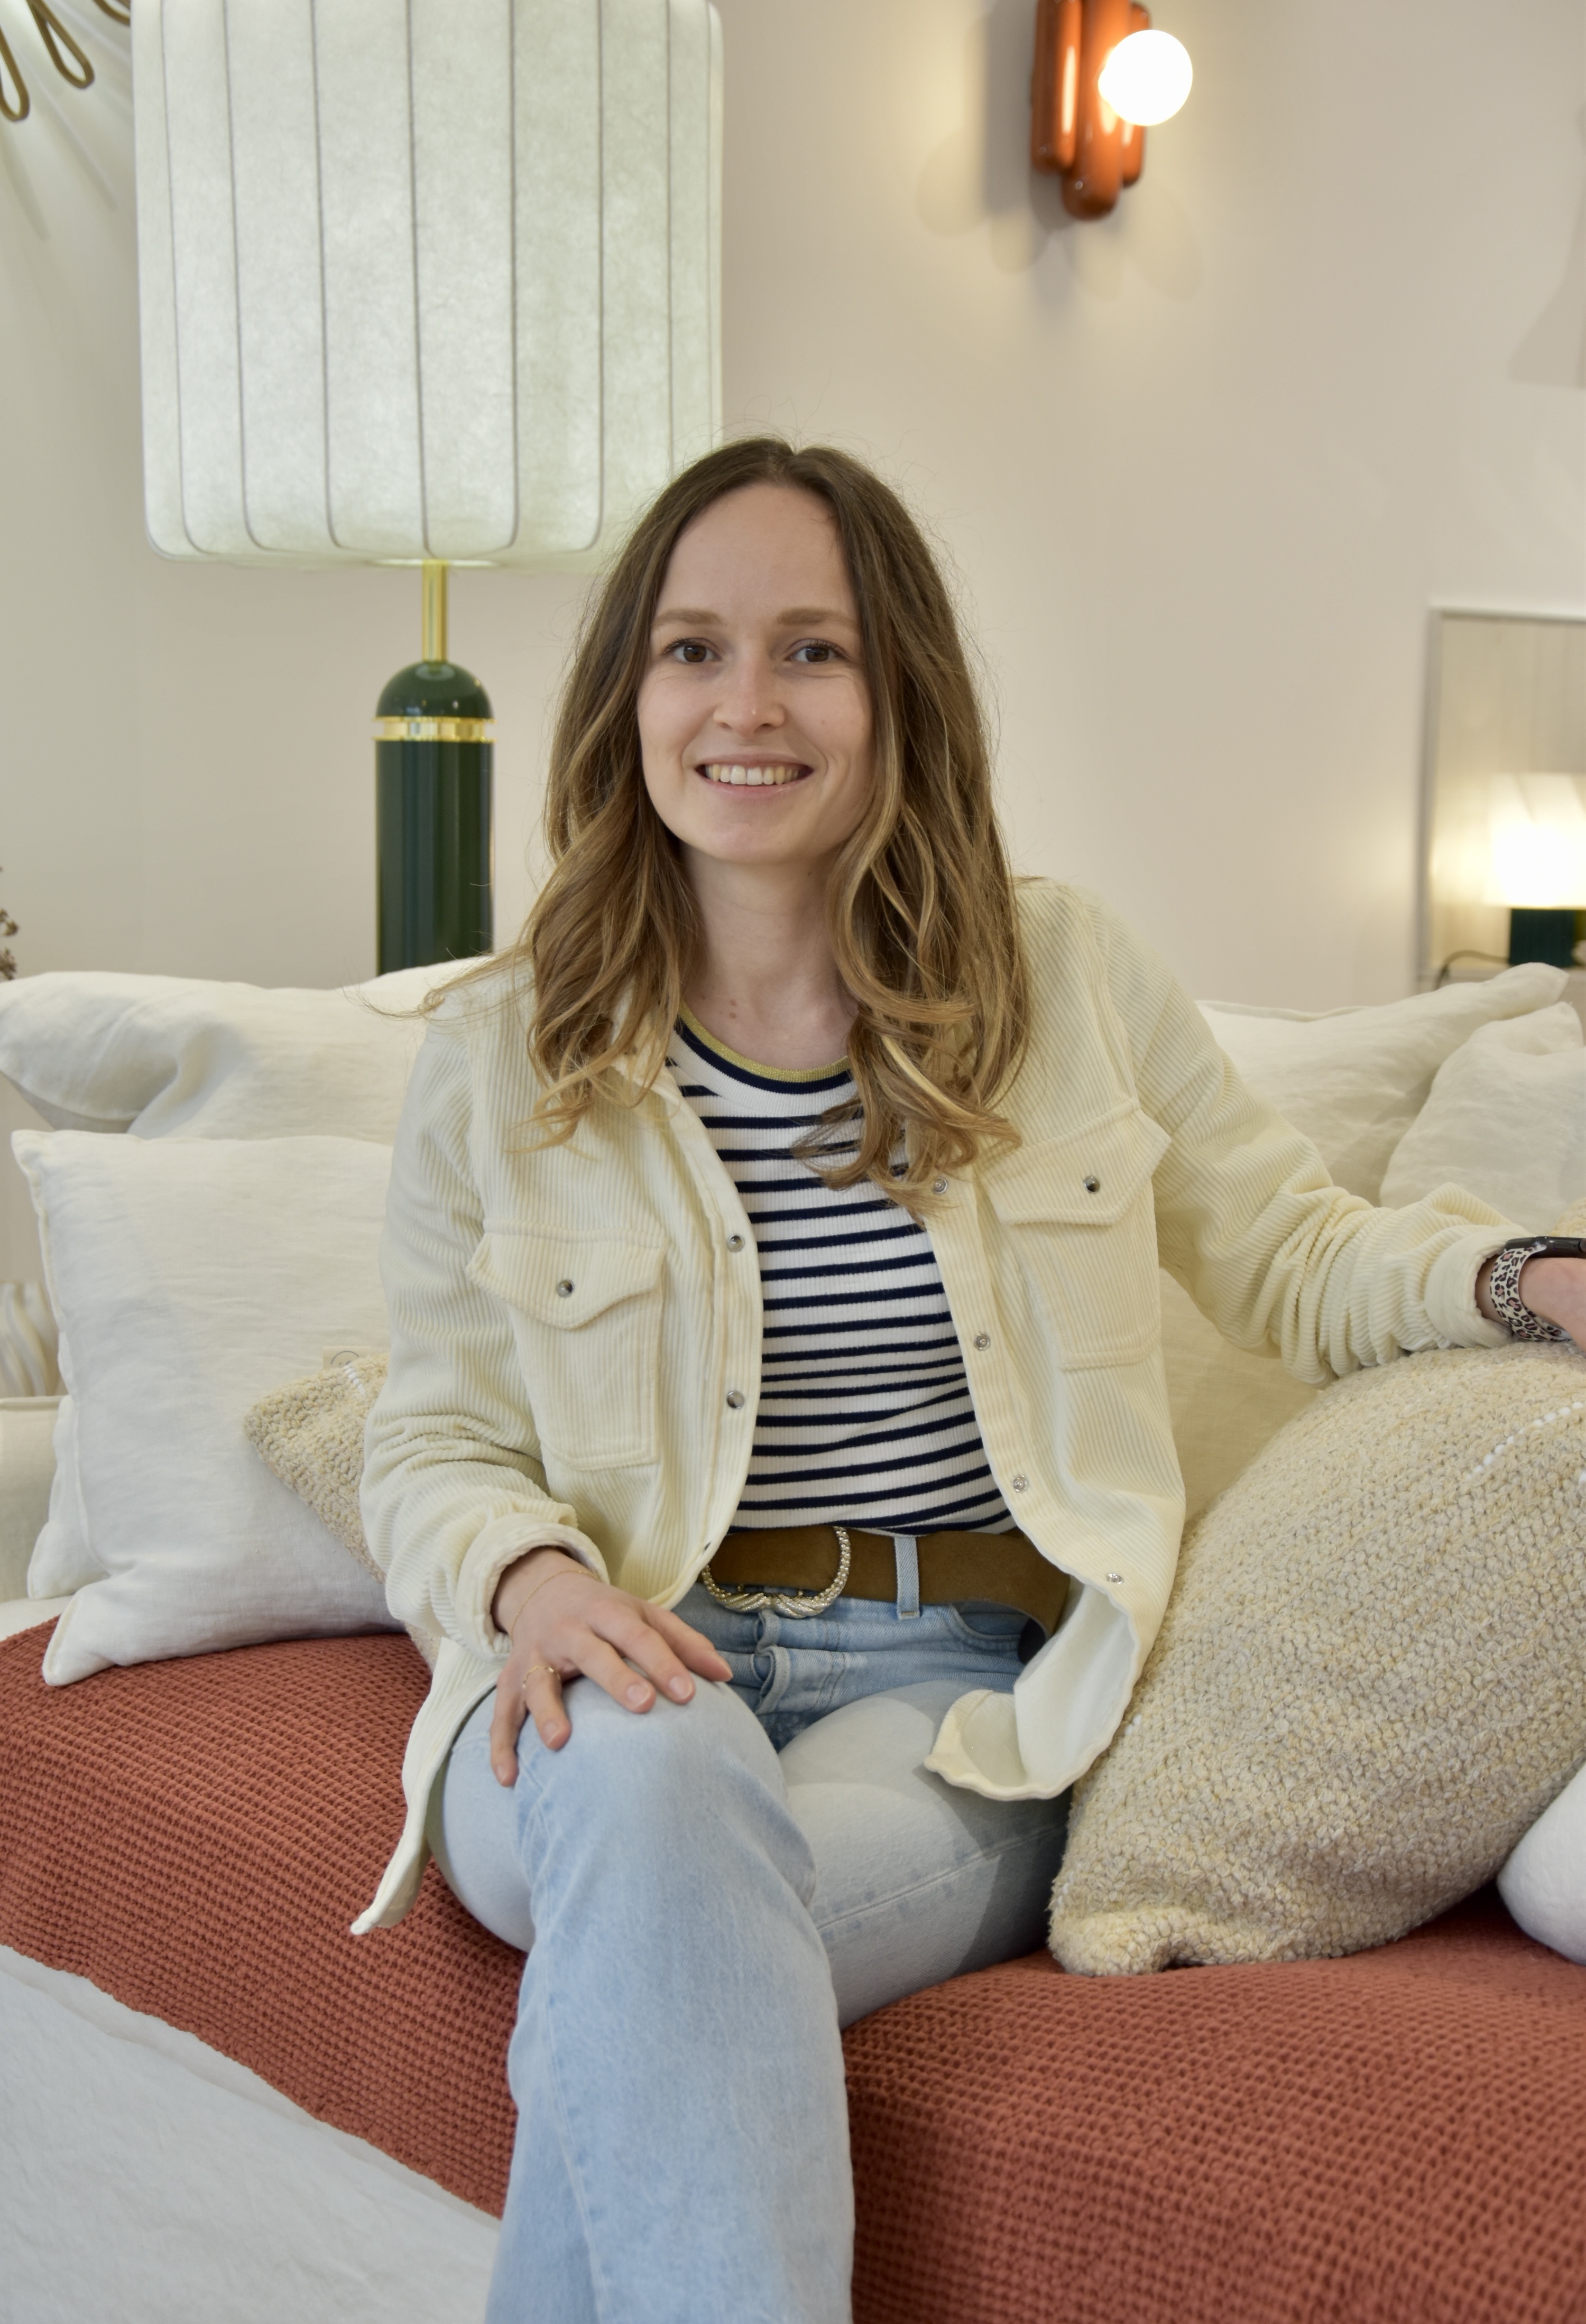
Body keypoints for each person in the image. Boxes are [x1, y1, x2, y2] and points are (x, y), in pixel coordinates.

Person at [358, 437, 1586, 2324]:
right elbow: (432, 1433)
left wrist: (1521, 1274)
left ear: (898, 691)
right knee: (655, 1807)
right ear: (627, 696)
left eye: (812, 651)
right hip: (610, 1680)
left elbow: (1296, 1254)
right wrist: (528, 1579)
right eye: (692, 650)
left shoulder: (1063, 976)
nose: (747, 705)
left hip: (953, 1702)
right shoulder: (501, 1052)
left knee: (653, 1962)